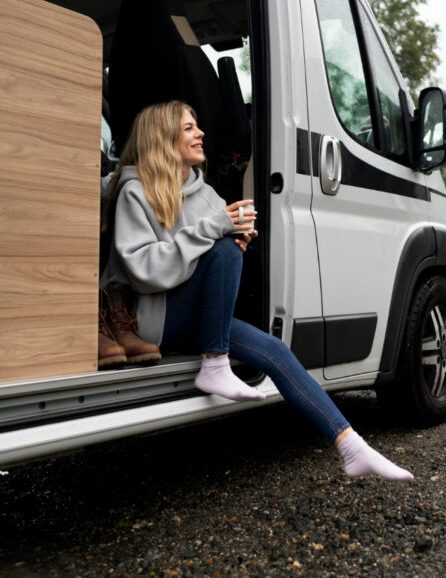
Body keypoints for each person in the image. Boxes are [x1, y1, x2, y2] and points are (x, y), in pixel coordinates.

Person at [100, 100, 413, 481]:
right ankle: (215, 363)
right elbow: (144, 270)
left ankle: (352, 446)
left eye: (198, 125)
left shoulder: (208, 196)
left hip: (193, 317)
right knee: (224, 244)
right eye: (188, 128)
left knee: (275, 350)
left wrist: (237, 236)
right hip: (151, 318)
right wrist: (214, 233)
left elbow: (212, 251)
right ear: (162, 139)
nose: (201, 133)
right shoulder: (135, 190)